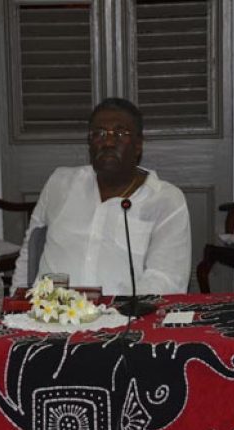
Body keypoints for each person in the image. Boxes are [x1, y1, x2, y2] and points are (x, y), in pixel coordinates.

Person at [10, 98, 191, 296]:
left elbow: (166, 280)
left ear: (138, 145)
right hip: (49, 316)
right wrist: (15, 305)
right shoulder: (60, 183)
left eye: (120, 134)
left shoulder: (166, 200)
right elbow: (29, 252)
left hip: (123, 319)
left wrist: (112, 315)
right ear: (90, 143)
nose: (108, 142)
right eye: (99, 134)